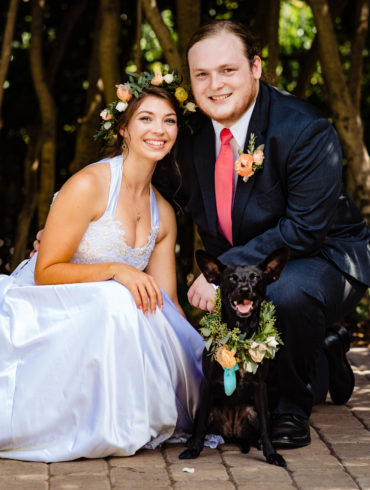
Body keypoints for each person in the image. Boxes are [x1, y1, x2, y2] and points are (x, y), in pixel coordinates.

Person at [155, 20, 370, 448]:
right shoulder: (190, 132)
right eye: (202, 74)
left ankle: (291, 407)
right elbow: (147, 190)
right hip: (257, 262)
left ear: (255, 67)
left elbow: (304, 229)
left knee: (284, 293)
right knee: (252, 300)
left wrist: (227, 268)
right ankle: (323, 351)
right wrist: (82, 223)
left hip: (325, 256)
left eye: (227, 70)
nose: (215, 85)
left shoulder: (304, 129)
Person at [0, 82, 204, 462]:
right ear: (123, 128)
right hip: (46, 307)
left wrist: (208, 356)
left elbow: (167, 302)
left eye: (169, 121)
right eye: (146, 118)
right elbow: (45, 271)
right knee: (117, 296)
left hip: (110, 318)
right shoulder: (89, 185)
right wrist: (116, 270)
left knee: (138, 307)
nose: (159, 130)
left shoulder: (164, 212)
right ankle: (96, 422)